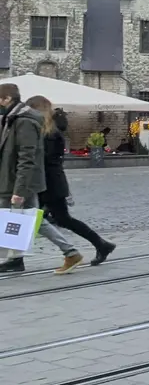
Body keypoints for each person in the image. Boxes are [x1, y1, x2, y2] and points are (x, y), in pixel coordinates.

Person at [0, 84, 85, 275]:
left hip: (20, 182)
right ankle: (15, 259)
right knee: (19, 219)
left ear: (7, 99)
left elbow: (27, 157)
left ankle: (70, 252)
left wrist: (19, 190)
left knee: (31, 220)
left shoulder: (24, 121)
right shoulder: (12, 118)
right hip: (13, 179)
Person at [25, 97, 116, 266]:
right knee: (47, 219)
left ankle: (96, 246)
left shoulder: (50, 133)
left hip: (50, 183)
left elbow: (45, 159)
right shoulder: (46, 131)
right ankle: (98, 245)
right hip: (47, 182)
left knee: (59, 219)